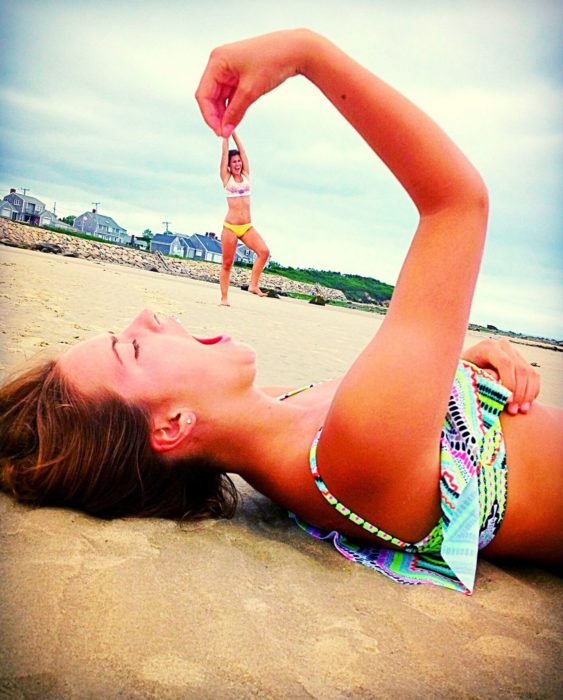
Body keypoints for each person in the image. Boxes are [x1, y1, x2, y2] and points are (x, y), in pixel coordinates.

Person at [0, 30, 561, 594]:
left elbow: (421, 415)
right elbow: (457, 203)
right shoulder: (350, 454)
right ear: (172, 425)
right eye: (133, 347)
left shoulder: (290, 418)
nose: (148, 315)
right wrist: (306, 54)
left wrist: (459, 362)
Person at [219, 130, 270, 305]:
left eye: (239, 161)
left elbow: (243, 150)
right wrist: (225, 135)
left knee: (264, 252)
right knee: (227, 263)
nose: (238, 163)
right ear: (229, 165)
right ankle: (224, 298)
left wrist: (233, 131)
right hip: (230, 227)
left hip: (247, 227)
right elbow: (225, 153)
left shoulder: (246, 175)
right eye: (234, 162)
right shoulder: (227, 179)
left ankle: (253, 285)